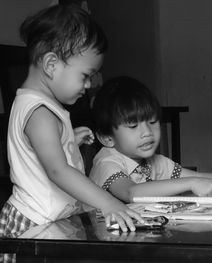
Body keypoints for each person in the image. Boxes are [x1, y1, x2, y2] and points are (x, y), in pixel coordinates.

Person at [0, 4, 143, 245]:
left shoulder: (39, 106)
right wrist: (108, 202)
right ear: (51, 65)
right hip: (36, 222)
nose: (88, 85)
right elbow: (57, 170)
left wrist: (68, 139)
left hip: (49, 218)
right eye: (85, 75)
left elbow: (39, 152)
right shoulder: (40, 113)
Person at [89, 76, 212, 202]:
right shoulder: (107, 162)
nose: (147, 132)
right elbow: (131, 193)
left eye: (152, 122)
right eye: (133, 126)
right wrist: (192, 183)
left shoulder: (155, 162)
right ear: (107, 138)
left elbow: (201, 178)